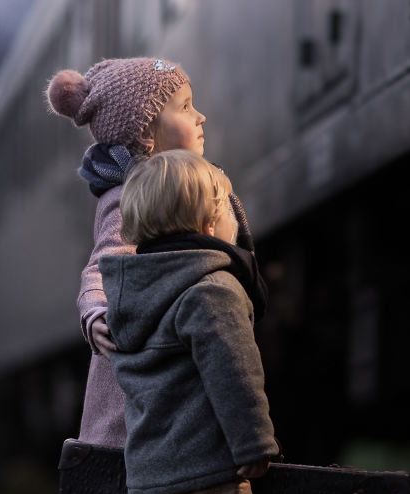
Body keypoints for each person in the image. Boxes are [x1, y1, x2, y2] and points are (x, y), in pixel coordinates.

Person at [99, 148, 280, 494]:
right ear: (206, 221)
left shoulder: (130, 295)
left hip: (152, 471)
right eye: (228, 207)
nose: (233, 218)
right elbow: (236, 377)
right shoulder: (212, 290)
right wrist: (255, 444)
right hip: (208, 467)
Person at [45, 57, 263, 449]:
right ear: (146, 134)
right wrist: (96, 310)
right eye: (184, 107)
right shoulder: (131, 196)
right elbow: (105, 261)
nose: (201, 117)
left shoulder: (188, 183)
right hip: (134, 395)